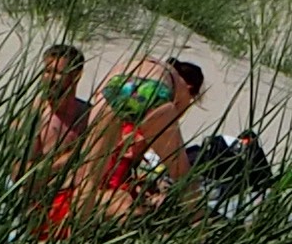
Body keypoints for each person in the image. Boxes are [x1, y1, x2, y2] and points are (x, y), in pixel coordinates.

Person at [72, 57, 206, 227]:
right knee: (183, 176)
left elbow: (100, 92)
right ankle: (198, 229)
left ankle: (77, 231)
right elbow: (163, 131)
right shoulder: (180, 87)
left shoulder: (141, 61)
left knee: (89, 178)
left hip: (116, 86)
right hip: (154, 91)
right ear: (191, 89)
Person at [17, 41, 93, 226]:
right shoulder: (34, 116)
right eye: (46, 71)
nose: (49, 79)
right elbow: (19, 175)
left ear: (76, 76)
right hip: (39, 203)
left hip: (77, 197)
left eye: (58, 73)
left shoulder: (88, 115)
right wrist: (66, 162)